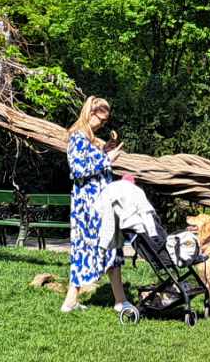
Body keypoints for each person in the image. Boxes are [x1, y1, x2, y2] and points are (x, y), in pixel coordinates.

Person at [60, 97, 135, 318]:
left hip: (99, 203)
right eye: (100, 120)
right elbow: (77, 169)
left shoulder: (89, 138)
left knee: (107, 248)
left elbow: (90, 163)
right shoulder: (77, 136)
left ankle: (79, 302)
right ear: (90, 113)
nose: (102, 124)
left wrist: (105, 152)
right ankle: (118, 301)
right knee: (95, 248)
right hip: (89, 207)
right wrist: (107, 159)